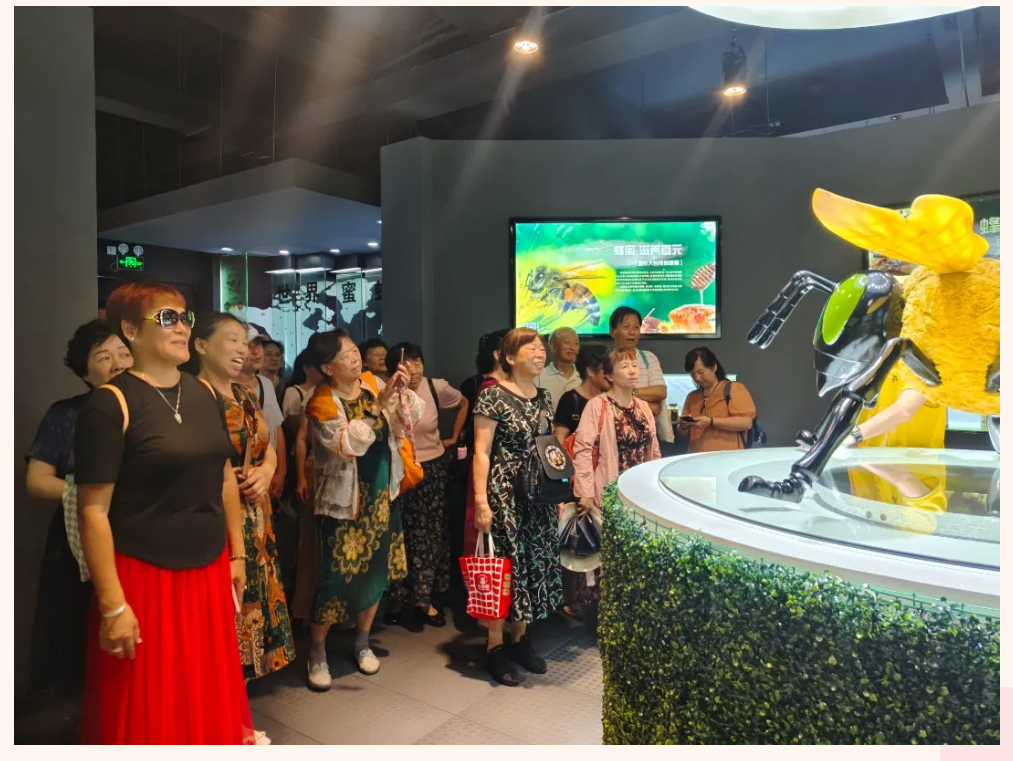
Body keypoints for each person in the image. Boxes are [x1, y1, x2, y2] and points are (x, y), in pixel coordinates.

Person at [74, 282, 254, 744]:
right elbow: (92, 511)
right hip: (145, 576)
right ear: (131, 330)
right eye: (167, 318)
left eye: (185, 317)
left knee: (204, 687)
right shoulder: (111, 403)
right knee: (150, 701)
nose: (181, 328)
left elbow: (224, 478)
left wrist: (237, 554)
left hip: (207, 567)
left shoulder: (202, 393)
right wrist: (112, 604)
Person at [304, 330, 422, 688]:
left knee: (375, 573)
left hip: (381, 497)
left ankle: (362, 641)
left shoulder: (373, 384)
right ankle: (317, 650)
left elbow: (410, 418)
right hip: (345, 504)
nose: (355, 358)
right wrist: (375, 409)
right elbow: (347, 445)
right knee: (334, 578)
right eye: (346, 355)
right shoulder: (322, 403)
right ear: (328, 367)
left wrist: (403, 393)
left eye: (355, 350)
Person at [25, 321, 133, 702]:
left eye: (124, 353)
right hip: (79, 537)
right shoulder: (66, 414)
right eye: (104, 357)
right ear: (85, 373)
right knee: (80, 628)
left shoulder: (154, 408)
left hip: (139, 533)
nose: (117, 363)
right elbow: (37, 480)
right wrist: (93, 495)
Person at [195, 313, 295, 692]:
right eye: (232, 339)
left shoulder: (246, 394)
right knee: (224, 597)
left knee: (256, 590)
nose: (242, 349)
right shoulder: (192, 396)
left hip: (256, 512)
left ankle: (246, 677)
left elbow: (268, 446)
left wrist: (267, 472)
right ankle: (219, 683)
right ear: (201, 345)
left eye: (245, 341)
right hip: (216, 512)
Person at [473, 328, 562, 686]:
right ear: (510, 358)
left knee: (531, 564)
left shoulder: (544, 397)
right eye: (531, 348)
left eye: (542, 348)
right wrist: (481, 501)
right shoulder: (492, 395)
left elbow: (548, 448)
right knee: (504, 567)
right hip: (505, 494)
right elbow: (481, 452)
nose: (540, 353)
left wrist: (556, 493)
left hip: (537, 496)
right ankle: (494, 646)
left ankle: (520, 638)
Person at [572, 346, 661, 632]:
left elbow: (654, 451)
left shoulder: (643, 407)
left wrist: (656, 489)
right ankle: (601, 622)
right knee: (605, 558)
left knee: (634, 558)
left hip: (639, 496)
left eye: (634, 365)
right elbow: (583, 450)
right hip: (608, 493)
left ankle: (631, 620)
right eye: (624, 366)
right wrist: (585, 492)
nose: (633, 370)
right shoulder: (597, 405)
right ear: (609, 375)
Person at [384, 342, 469, 631]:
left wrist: (453, 437)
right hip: (400, 472)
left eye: (418, 362)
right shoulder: (387, 391)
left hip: (432, 469)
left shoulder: (436, 387)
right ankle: (399, 599)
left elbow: (464, 403)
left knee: (429, 535)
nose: (414, 369)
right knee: (401, 535)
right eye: (407, 364)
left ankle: (425, 600)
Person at [551, 342, 609, 620]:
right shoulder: (571, 400)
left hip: (604, 480)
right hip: (576, 482)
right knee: (574, 539)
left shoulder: (608, 401)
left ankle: (595, 599)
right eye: (605, 370)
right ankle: (569, 598)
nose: (609, 376)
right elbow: (558, 443)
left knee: (599, 539)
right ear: (591, 371)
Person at [608, 307, 674, 445]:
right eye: (626, 327)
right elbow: (608, 400)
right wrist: (648, 405)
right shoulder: (606, 361)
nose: (632, 332)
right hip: (616, 438)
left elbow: (660, 392)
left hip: (650, 437)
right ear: (613, 331)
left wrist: (629, 392)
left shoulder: (648, 358)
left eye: (636, 327)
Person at [677, 347, 756, 453]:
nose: (697, 378)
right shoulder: (692, 397)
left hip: (728, 457)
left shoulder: (734, 389)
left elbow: (746, 423)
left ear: (714, 367)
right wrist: (683, 426)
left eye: (701, 372)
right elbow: (683, 434)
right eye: (692, 374)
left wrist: (711, 422)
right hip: (697, 458)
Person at [536, 327, 581, 416]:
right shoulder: (538, 377)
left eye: (576, 343)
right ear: (553, 346)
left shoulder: (584, 377)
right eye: (567, 342)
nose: (572, 347)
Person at [262, 340, 287, 406]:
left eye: (277, 355)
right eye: (268, 354)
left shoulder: (287, 385)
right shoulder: (249, 384)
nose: (274, 358)